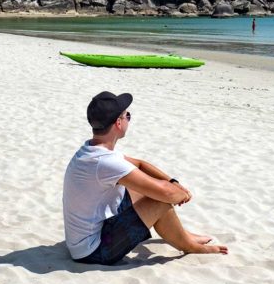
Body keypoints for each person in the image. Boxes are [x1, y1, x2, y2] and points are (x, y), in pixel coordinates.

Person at [63, 91, 228, 265]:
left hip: (87, 237)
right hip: (93, 252)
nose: (128, 118)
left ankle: (184, 235)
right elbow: (167, 196)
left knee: (144, 189)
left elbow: (140, 165)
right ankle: (190, 247)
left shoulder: (93, 149)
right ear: (118, 123)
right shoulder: (104, 162)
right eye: (127, 116)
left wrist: (174, 183)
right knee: (159, 201)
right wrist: (181, 194)